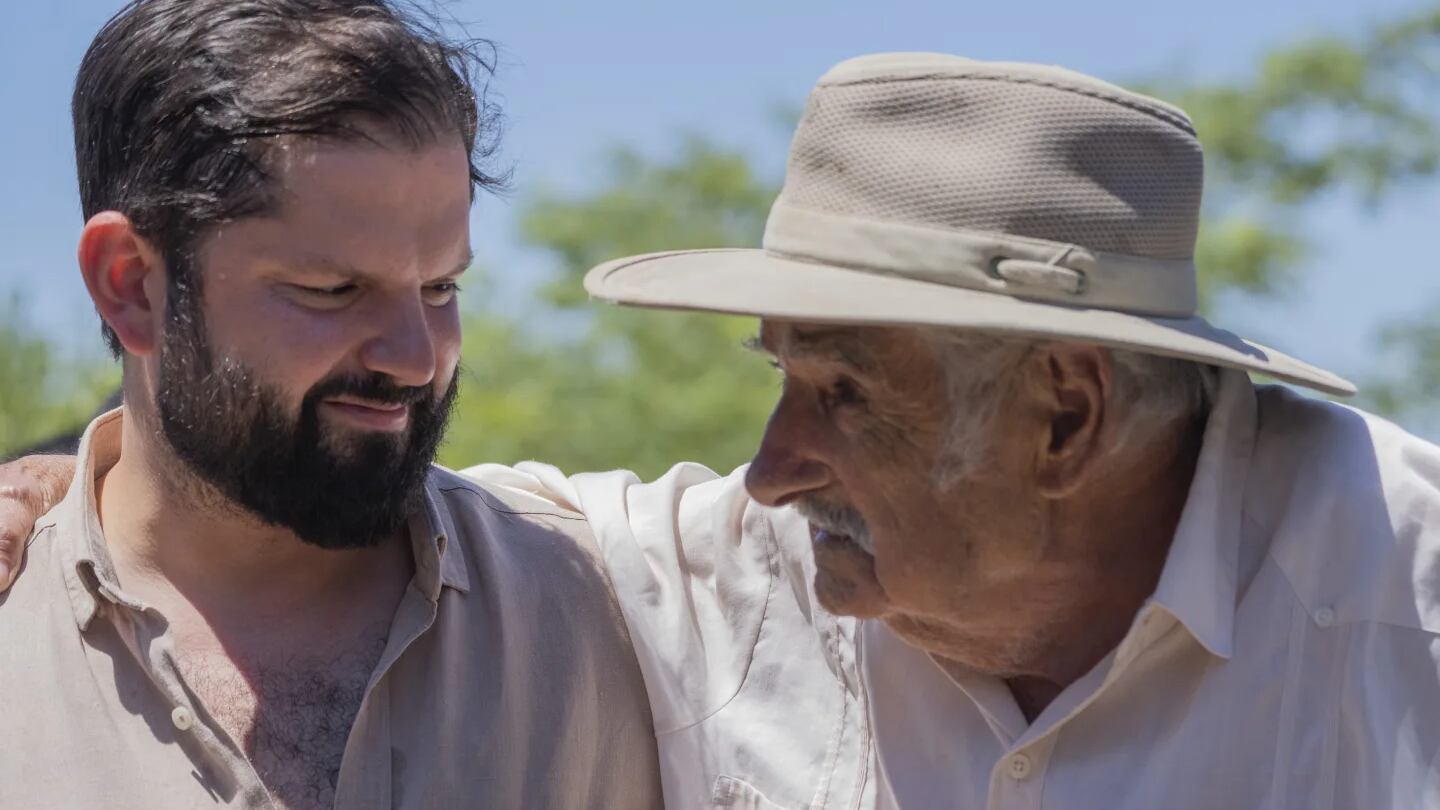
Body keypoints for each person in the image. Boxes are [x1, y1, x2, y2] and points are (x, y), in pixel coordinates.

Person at [7, 52, 1440, 810]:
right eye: (779, 374)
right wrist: (73, 481)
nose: (765, 464)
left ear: (1068, 411)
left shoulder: (1402, 608)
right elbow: (313, 476)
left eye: (841, 395)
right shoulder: (715, 571)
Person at [0, 1, 661, 808]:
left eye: (441, 286)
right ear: (130, 284)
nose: (417, 359)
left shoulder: (632, 604)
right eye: (333, 290)